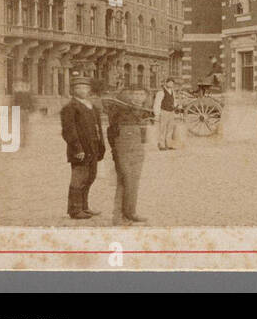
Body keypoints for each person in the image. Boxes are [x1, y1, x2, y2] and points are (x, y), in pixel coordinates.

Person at [60, 72, 104, 220]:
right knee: (78, 179)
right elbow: (69, 131)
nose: (83, 90)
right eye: (79, 87)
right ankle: (75, 209)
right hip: (80, 149)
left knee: (90, 177)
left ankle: (85, 207)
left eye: (86, 87)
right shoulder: (70, 107)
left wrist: (100, 146)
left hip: (93, 148)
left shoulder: (92, 106)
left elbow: (98, 127)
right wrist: (77, 148)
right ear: (73, 90)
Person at [107, 84, 153, 225]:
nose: (139, 97)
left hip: (138, 149)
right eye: (136, 94)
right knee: (124, 181)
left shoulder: (140, 111)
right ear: (130, 95)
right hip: (125, 149)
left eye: (142, 94)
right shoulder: (122, 110)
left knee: (134, 182)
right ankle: (118, 217)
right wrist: (116, 151)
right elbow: (112, 131)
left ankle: (131, 212)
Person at [152, 77, 177, 151]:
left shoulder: (172, 91)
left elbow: (174, 101)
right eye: (169, 82)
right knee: (162, 129)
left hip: (171, 112)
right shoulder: (161, 92)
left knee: (170, 129)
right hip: (164, 112)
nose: (171, 84)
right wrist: (156, 114)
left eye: (172, 83)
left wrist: (175, 106)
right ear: (166, 83)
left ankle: (169, 144)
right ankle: (161, 145)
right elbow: (157, 103)